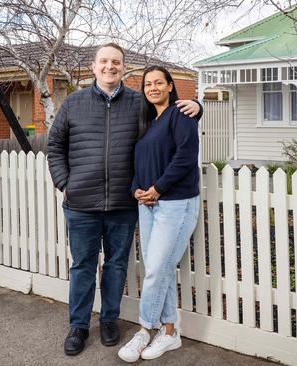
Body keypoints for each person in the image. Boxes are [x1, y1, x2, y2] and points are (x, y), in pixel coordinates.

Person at [47, 43, 201, 356]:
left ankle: (109, 320)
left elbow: (169, 116)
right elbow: (54, 147)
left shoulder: (138, 102)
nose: (109, 67)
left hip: (123, 203)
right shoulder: (73, 103)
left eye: (115, 62)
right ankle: (78, 326)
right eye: (103, 61)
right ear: (93, 67)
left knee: (117, 265)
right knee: (82, 266)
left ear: (123, 68)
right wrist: (65, 183)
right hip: (81, 203)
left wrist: (199, 105)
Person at [117, 65, 200, 362]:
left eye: (158, 83)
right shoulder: (149, 121)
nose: (152, 88)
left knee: (154, 269)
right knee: (157, 267)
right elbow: (139, 162)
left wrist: (159, 188)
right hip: (148, 203)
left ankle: (144, 330)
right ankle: (168, 332)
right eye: (148, 84)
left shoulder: (183, 114)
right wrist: (137, 189)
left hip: (175, 203)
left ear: (169, 86)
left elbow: (186, 157)